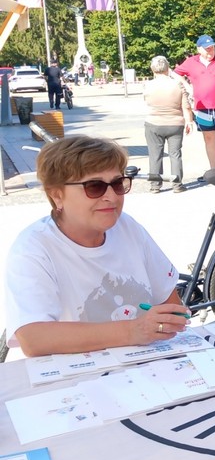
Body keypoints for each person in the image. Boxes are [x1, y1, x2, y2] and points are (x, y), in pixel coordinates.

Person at [3, 136, 190, 357]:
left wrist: (167, 321)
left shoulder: (127, 226)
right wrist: (133, 330)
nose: (111, 197)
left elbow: (171, 303)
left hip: (147, 365)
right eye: (94, 187)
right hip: (78, 373)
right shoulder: (33, 248)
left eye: (118, 184)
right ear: (56, 195)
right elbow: (33, 339)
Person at [175, 34, 215, 171]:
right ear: (199, 49)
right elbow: (175, 74)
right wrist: (187, 86)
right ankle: (214, 170)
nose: (211, 51)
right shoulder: (191, 62)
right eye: (207, 48)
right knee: (209, 138)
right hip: (202, 107)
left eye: (212, 48)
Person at [143, 55, 193, 193]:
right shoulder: (177, 84)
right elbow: (186, 106)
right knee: (175, 155)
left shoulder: (147, 85)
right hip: (175, 124)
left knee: (155, 155)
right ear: (168, 68)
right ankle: (177, 185)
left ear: (152, 69)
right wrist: (189, 121)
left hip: (153, 123)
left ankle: (155, 186)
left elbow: (146, 101)